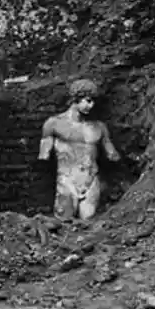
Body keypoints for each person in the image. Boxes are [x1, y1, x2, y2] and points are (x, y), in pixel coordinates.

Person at [38, 79, 120, 221]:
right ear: (75, 98)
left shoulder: (99, 127)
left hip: (91, 181)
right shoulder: (54, 124)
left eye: (93, 101)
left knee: (88, 223)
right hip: (67, 179)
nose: (91, 105)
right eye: (88, 100)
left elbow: (112, 154)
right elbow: (44, 153)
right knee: (63, 221)